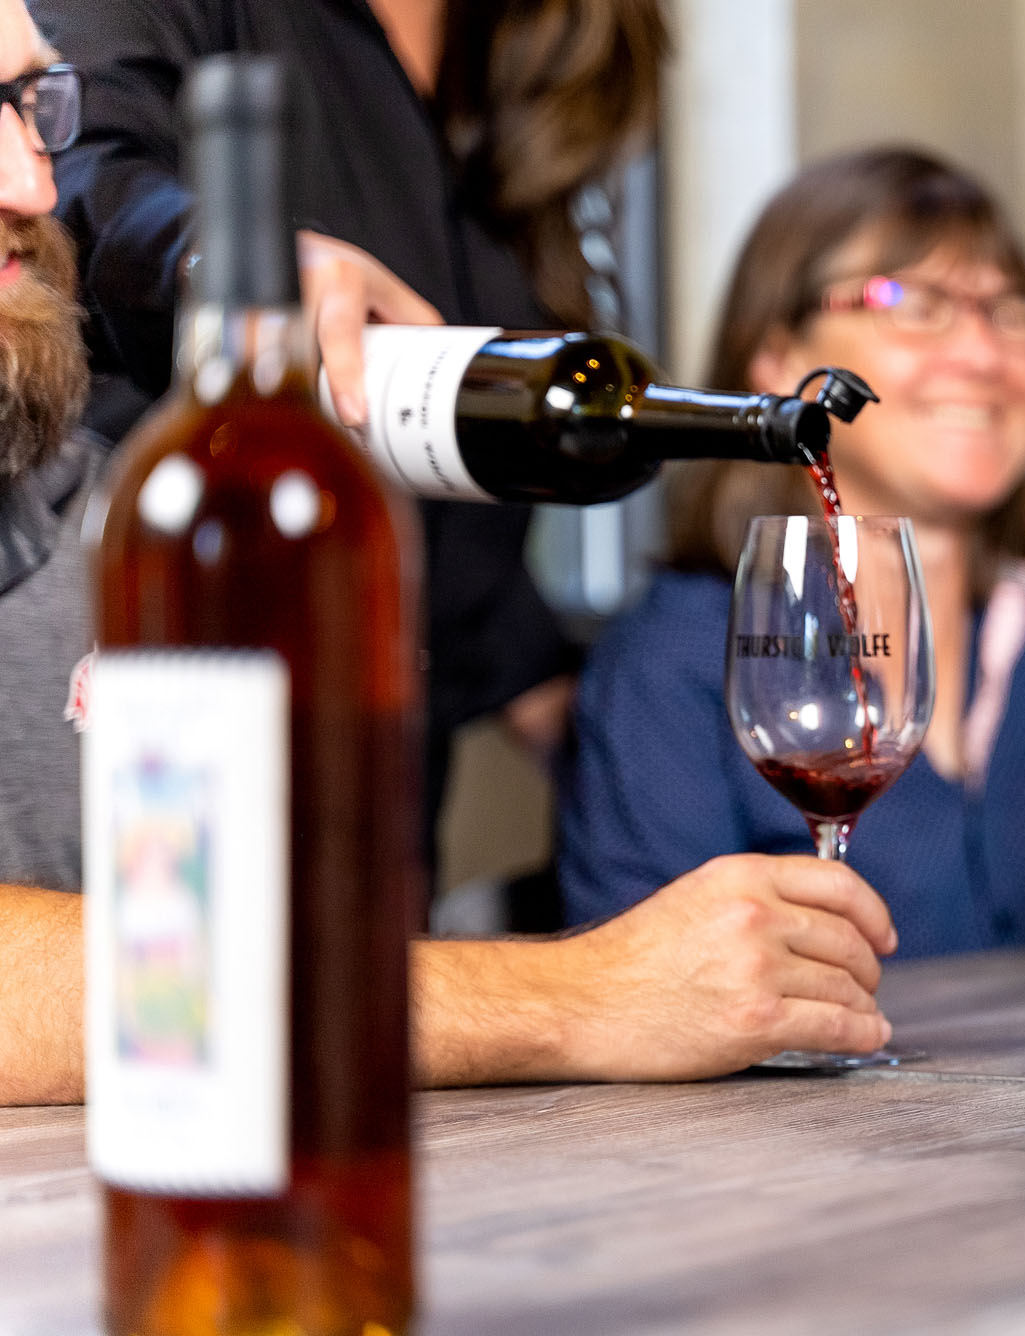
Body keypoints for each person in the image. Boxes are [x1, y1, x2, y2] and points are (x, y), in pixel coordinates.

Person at [0, 0, 896, 1106]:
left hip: (333, 922)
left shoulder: (533, 61)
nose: (28, 181)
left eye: (29, 115)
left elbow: (458, 550)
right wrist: (578, 996)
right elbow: (95, 185)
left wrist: (628, 725)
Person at [29, 0, 663, 878]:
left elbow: (430, 476)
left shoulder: (542, 45)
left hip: (376, 788)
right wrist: (227, 263)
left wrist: (646, 736)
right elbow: (78, 174)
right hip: (139, 739)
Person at [559, 148, 1025, 957]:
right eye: (916, 304)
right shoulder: (674, 661)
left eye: (1008, 312)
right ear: (779, 358)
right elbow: (636, 997)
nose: (983, 356)